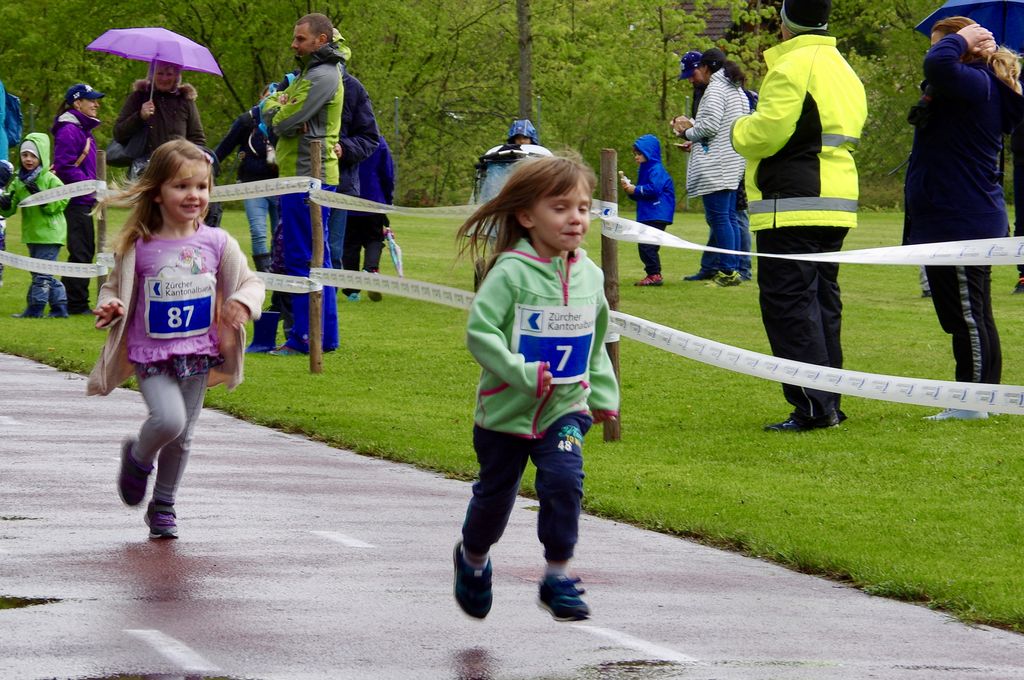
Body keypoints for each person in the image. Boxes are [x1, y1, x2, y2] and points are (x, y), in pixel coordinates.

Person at [451, 154, 620, 622]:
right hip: (505, 413)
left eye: (583, 208)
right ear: (527, 217)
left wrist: (603, 394)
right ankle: (473, 559)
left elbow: (595, 340)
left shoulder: (590, 275)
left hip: (565, 409)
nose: (575, 218)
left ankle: (557, 576)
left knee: (564, 482)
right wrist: (520, 371)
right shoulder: (510, 272)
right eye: (560, 208)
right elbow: (480, 333)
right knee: (494, 499)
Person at [85, 140, 265, 539]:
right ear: (158, 192)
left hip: (198, 353)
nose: (193, 195)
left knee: (182, 436)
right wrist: (112, 304)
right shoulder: (139, 246)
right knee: (168, 420)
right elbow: (113, 287)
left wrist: (242, 302)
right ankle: (138, 457)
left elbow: (252, 283)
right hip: (152, 353)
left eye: (201, 186)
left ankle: (163, 505)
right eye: (182, 186)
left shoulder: (218, 243)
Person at [731, 0, 867, 432]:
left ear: (786, 23)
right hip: (836, 198)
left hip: (792, 201)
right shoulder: (843, 67)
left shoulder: (791, 67)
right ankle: (829, 401)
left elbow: (765, 135)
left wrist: (738, 127)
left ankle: (813, 407)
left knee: (789, 307)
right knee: (824, 304)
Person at [904, 17, 1024, 421]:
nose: (933, 52)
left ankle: (972, 403)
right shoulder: (966, 87)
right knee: (967, 312)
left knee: (968, 315)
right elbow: (936, 70)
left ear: (965, 50)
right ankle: (980, 396)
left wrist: (961, 38)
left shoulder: (976, 84)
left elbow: (938, 65)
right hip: (954, 216)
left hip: (961, 219)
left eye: (942, 44)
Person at [260, 13, 344, 356]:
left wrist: (276, 108)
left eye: (300, 39)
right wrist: (274, 103)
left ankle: (305, 337)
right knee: (317, 259)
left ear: (321, 40)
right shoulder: (310, 73)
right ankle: (324, 336)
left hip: (308, 177)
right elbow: (273, 104)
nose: (293, 45)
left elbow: (281, 121)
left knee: (302, 259)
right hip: (299, 176)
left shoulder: (322, 75)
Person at [672, 48, 749, 287]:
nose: (691, 80)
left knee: (720, 219)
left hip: (717, 165)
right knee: (728, 218)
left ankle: (728, 271)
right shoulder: (735, 88)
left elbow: (710, 126)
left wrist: (686, 132)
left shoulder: (716, 89)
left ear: (705, 67)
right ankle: (730, 268)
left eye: (694, 73)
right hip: (733, 161)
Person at [327, 30, 381, 272]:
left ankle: (328, 297)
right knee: (293, 249)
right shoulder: (296, 82)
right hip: (299, 180)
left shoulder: (354, 89)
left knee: (333, 251)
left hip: (340, 184)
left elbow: (370, 138)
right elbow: (271, 124)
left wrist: (344, 148)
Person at [0, 133, 70, 318]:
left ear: (42, 156)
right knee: (42, 273)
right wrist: (4, 204)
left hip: (50, 233)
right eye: (25, 155)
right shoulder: (18, 181)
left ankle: (35, 309)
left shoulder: (50, 179)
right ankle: (60, 307)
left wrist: (42, 198)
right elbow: (10, 209)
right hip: (32, 233)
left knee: (42, 275)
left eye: (33, 155)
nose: (28, 159)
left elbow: (61, 203)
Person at [213, 85, 281, 272]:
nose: (271, 100)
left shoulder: (285, 120)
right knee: (258, 232)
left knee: (279, 234)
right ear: (261, 98)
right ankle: (264, 273)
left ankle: (277, 270)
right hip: (252, 184)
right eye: (268, 96)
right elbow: (224, 147)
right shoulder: (246, 121)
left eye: (276, 96)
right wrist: (207, 165)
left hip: (280, 185)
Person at [52, 83, 104, 314]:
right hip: (76, 200)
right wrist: (88, 188)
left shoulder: (83, 131)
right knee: (81, 251)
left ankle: (69, 299)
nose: (96, 104)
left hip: (84, 199)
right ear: (77, 103)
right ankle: (76, 303)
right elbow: (64, 166)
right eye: (91, 100)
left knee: (83, 249)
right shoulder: (69, 130)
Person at [112, 62, 206, 180]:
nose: (164, 78)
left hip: (177, 170)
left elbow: (197, 139)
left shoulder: (185, 101)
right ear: (152, 74)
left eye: (169, 74)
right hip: (143, 172)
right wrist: (140, 116)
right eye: (160, 73)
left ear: (177, 76)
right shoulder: (139, 97)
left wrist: (191, 163)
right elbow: (118, 133)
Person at [341, 135, 395, 301]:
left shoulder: (343, 140)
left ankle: (352, 291)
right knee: (374, 240)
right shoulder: (378, 141)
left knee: (350, 245)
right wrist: (387, 199)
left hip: (348, 199)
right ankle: (371, 270)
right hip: (373, 198)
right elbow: (387, 173)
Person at [619, 134, 675, 286]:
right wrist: (631, 191)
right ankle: (653, 274)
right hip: (649, 213)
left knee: (647, 245)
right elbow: (642, 195)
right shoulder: (645, 170)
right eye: (635, 154)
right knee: (647, 246)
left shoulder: (656, 169)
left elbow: (654, 190)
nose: (636, 157)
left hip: (656, 213)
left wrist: (636, 189)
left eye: (639, 154)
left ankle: (654, 275)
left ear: (649, 153)